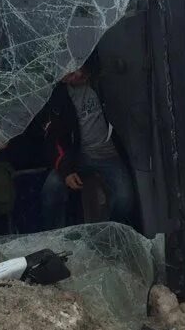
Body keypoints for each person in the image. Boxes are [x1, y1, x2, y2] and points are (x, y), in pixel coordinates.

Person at [38, 63, 137, 229]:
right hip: (80, 155)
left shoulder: (103, 81)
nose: (75, 75)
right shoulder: (60, 96)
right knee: (51, 189)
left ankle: (107, 235)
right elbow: (54, 138)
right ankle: (54, 237)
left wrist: (88, 71)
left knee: (124, 199)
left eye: (74, 69)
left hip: (109, 154)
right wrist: (67, 171)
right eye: (68, 76)